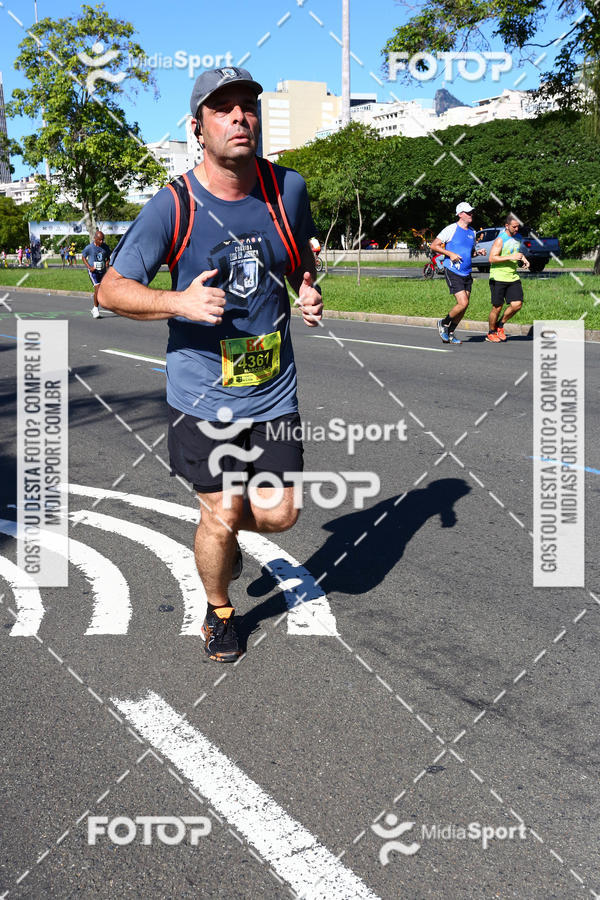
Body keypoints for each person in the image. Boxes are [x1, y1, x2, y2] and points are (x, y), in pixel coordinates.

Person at [99, 66, 323, 664]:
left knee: (280, 514)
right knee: (221, 511)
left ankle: (224, 539)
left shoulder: (288, 189)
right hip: (202, 391)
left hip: (273, 387)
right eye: (222, 109)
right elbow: (112, 290)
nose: (239, 117)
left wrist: (306, 288)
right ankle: (220, 609)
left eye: (247, 106)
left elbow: (301, 256)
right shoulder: (173, 204)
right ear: (199, 128)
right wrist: (178, 301)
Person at [431, 202, 486, 344]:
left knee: (465, 306)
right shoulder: (451, 229)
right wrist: (450, 254)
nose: (471, 214)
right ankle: (443, 323)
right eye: (468, 212)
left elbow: (469, 252)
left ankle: (450, 333)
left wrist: (477, 252)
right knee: (463, 303)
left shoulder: (472, 232)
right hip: (453, 270)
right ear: (460, 214)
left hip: (467, 272)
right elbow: (434, 246)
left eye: (471, 212)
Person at [485, 215, 530, 342]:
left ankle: (500, 325)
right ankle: (491, 332)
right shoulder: (500, 240)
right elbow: (492, 258)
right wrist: (511, 257)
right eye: (514, 227)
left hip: (512, 276)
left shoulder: (518, 238)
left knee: (517, 304)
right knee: (497, 307)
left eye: (518, 227)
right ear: (507, 226)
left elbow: (517, 253)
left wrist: (523, 259)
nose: (516, 229)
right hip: (498, 277)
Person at [82, 230, 111, 318]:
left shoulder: (105, 247)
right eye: (100, 240)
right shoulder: (89, 247)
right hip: (93, 272)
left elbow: (108, 257)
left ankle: (95, 307)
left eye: (103, 240)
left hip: (102, 271)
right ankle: (95, 309)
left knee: (100, 290)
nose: (101, 241)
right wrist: (89, 267)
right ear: (95, 239)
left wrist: (107, 262)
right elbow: (83, 257)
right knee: (98, 288)